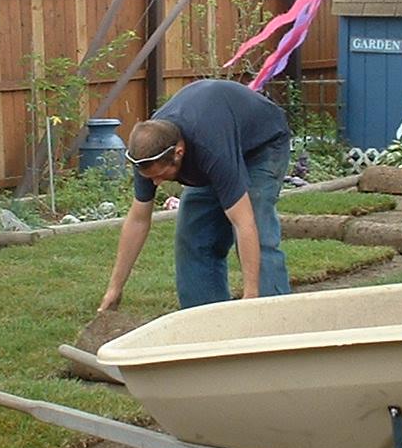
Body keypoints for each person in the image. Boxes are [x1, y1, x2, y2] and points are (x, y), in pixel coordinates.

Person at [99, 78, 291, 312]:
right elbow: (138, 220)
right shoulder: (148, 154)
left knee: (258, 224)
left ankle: (272, 320)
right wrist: (115, 288)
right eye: (152, 178)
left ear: (179, 153)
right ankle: (205, 326)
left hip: (261, 144)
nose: (156, 183)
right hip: (215, 143)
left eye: (161, 175)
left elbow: (244, 223)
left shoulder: (211, 151)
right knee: (193, 237)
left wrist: (251, 295)